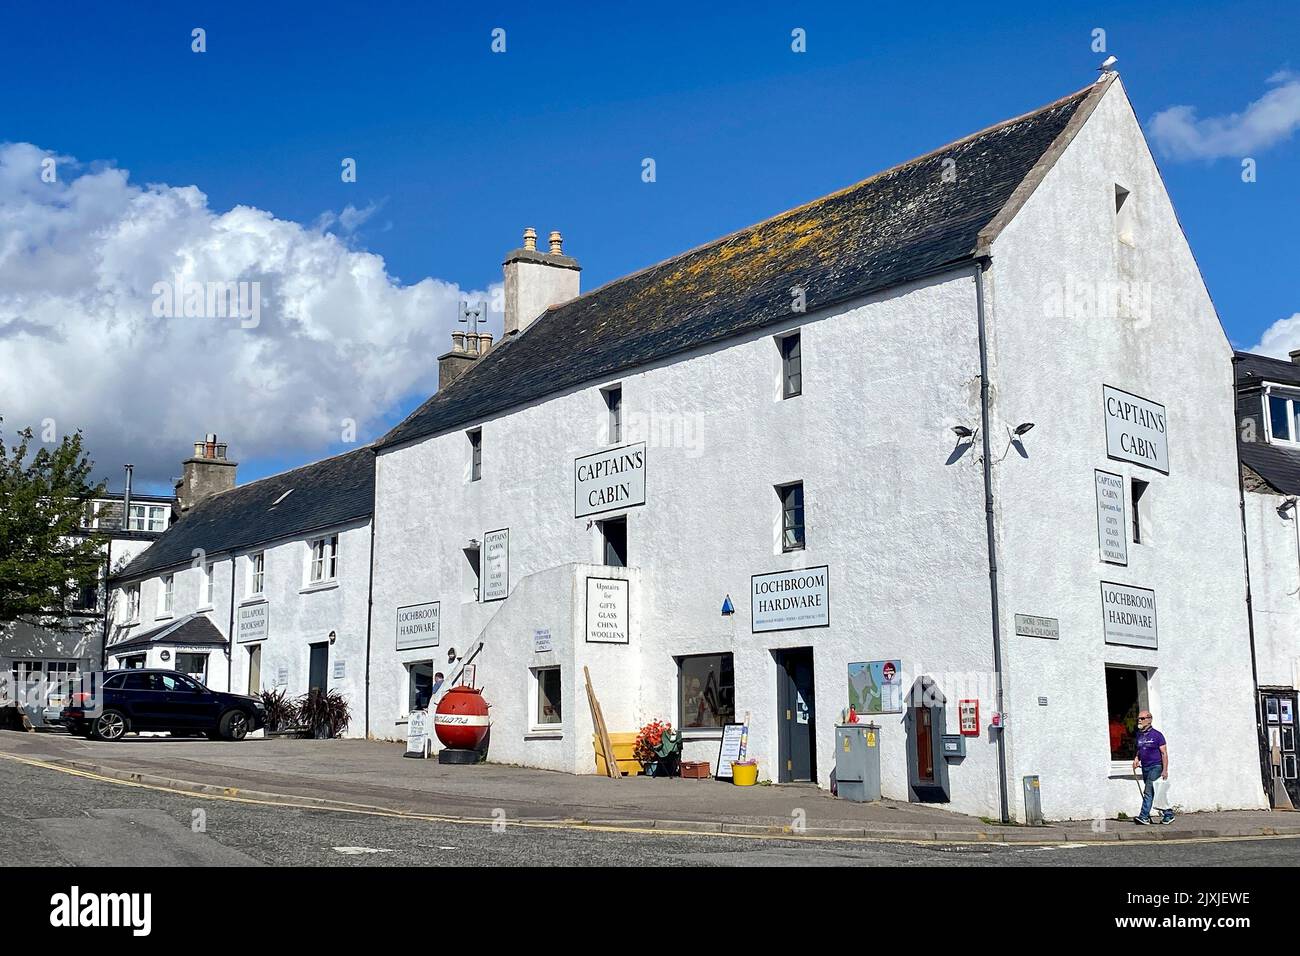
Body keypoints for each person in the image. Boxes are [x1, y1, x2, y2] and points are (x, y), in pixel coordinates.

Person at [1131, 710, 1174, 825]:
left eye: (1142, 718)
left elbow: (1164, 753)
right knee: (1155, 791)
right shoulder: (1139, 735)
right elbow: (1140, 750)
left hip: (1156, 766)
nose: (1139, 720)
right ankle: (1168, 814)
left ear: (1149, 719)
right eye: (1139, 718)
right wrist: (1136, 759)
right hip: (1145, 767)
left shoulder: (1157, 735)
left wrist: (1165, 770)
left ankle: (1143, 816)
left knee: (1148, 791)